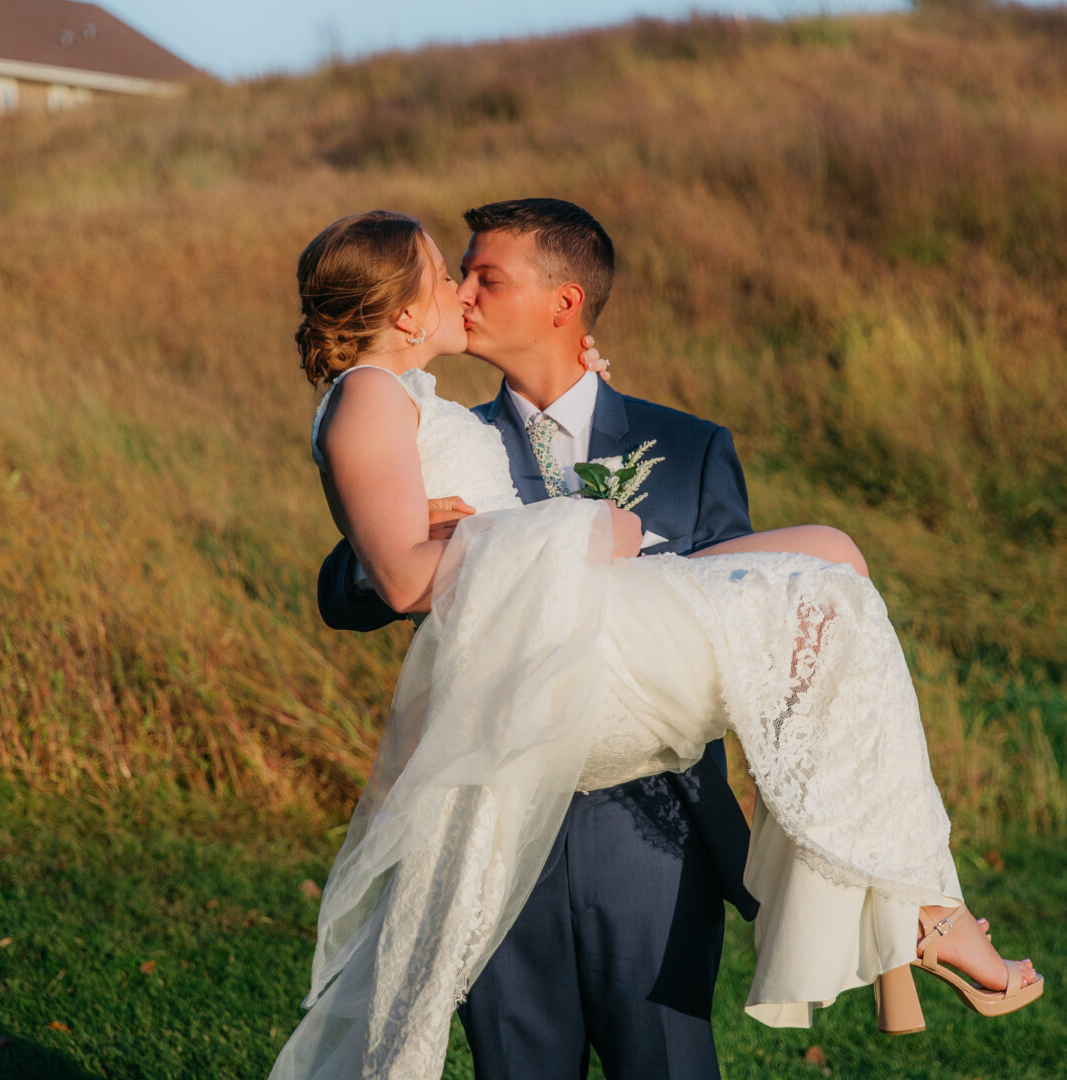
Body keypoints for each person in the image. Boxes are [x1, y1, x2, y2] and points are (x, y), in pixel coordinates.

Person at [269, 204, 1042, 1080]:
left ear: (564, 303)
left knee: (834, 567)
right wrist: (569, 528)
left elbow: (745, 639)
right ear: (407, 313)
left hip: (650, 818)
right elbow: (373, 574)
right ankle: (915, 913)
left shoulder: (685, 444)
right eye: (452, 275)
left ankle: (895, 892)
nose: (464, 292)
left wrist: (538, 536)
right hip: (511, 766)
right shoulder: (423, 413)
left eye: (484, 276)